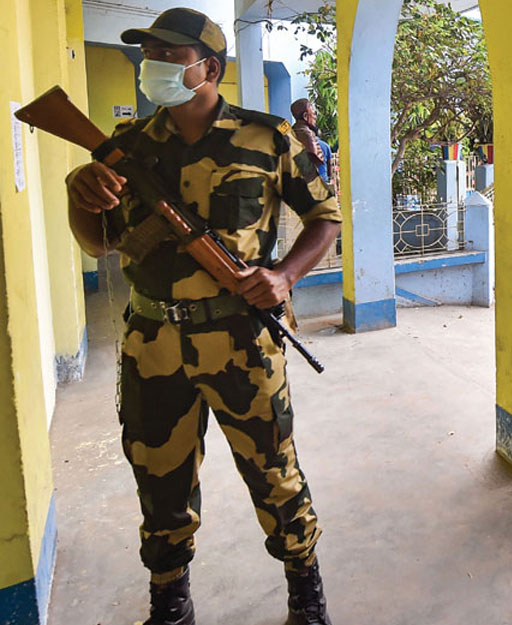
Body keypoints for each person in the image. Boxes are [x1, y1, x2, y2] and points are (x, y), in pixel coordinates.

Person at [63, 9, 340, 625]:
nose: (152, 66)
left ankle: (305, 590)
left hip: (241, 338)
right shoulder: (125, 148)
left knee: (274, 471)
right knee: (158, 476)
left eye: (167, 55)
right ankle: (170, 598)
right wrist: (78, 194)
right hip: (152, 341)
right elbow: (97, 242)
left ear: (207, 68)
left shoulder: (268, 138)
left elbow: (326, 217)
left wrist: (284, 275)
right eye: (148, 55)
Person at [291, 98, 332, 182]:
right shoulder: (307, 135)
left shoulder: (290, 133)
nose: (315, 117)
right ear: (305, 116)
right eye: (314, 113)